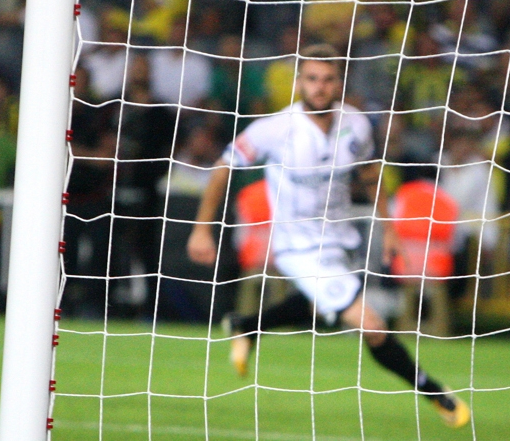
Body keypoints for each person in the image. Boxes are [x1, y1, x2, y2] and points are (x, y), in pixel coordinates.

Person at [186, 43, 470, 429]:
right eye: (312, 78)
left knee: (320, 306)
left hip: (339, 238)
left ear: (340, 82)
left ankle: (247, 325)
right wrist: (202, 230)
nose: (319, 87)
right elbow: (222, 168)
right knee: (369, 323)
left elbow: (371, 173)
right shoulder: (274, 128)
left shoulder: (356, 123)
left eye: (328, 79)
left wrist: (388, 228)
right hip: (295, 247)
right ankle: (436, 393)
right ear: (299, 81)